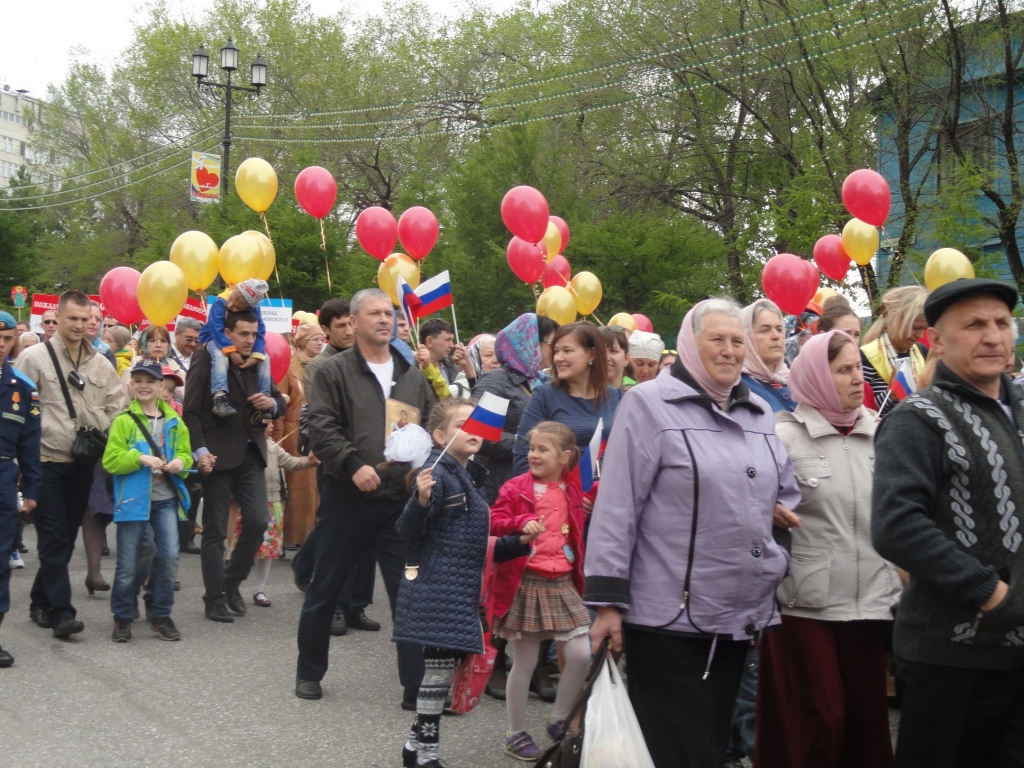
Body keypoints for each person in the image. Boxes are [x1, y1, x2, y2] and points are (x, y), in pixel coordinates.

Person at [585, 298, 800, 768]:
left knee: (711, 746)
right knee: (674, 751)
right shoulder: (647, 405)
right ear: (687, 345)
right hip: (666, 621)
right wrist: (606, 604)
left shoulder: (760, 413)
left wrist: (775, 554)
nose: (729, 351)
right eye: (716, 340)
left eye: (737, 341)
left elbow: (785, 493)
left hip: (738, 614)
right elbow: (617, 508)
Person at [872, 278, 1024, 767]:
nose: (993, 336)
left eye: (1002, 323)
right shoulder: (919, 418)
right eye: (974, 325)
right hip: (951, 656)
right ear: (936, 340)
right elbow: (896, 525)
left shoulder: (1021, 409)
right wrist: (991, 593)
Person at [755, 331, 902, 768]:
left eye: (858, 367)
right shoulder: (781, 435)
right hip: (805, 603)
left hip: (872, 601)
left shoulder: (882, 432)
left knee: (866, 722)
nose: (857, 378)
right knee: (822, 719)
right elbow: (739, 499)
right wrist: (766, 506)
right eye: (843, 370)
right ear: (818, 376)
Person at [295, 288, 435, 705]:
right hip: (347, 499)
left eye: (388, 313)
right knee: (325, 590)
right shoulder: (333, 372)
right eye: (374, 313)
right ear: (353, 322)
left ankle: (414, 686)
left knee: (406, 594)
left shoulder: (410, 371)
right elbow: (321, 426)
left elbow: (426, 421)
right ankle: (309, 673)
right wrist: (353, 465)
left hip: (397, 503)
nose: (384, 319)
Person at [392, 399, 537, 768]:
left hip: (458, 589)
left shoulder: (469, 476)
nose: (473, 430)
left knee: (441, 672)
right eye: (462, 424)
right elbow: (407, 532)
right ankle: (426, 755)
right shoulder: (437, 474)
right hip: (438, 588)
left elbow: (477, 547)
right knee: (438, 673)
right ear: (440, 436)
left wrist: (517, 543)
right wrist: (420, 500)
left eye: (476, 423)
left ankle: (414, 747)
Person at [15, 290, 123, 638]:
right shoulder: (33, 358)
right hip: (44, 460)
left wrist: (98, 427)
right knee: (52, 537)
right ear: (57, 318)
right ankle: (63, 612)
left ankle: (38, 600)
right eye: (72, 318)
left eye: (85, 319)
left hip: (82, 462)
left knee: (63, 538)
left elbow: (116, 407)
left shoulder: (101, 364)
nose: (79, 325)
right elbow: (16, 411)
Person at [491, 421, 592, 761]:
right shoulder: (516, 486)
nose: (533, 454)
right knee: (526, 661)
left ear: (565, 457)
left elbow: (581, 521)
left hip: (563, 580)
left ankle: (560, 718)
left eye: (542, 449)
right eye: (532, 448)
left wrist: (590, 504)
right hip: (526, 580)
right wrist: (520, 523)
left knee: (580, 654)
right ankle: (516, 733)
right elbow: (494, 519)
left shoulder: (574, 488)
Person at [183, 308, 287, 623]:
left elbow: (279, 401)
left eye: (254, 334)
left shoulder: (259, 362)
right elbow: (190, 411)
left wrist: (272, 404)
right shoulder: (207, 357)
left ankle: (231, 583)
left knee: (257, 522)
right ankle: (213, 598)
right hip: (216, 456)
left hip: (251, 454)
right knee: (215, 532)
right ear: (227, 333)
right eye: (243, 333)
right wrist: (200, 451)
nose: (249, 340)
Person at [295, 297, 380, 636]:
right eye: (340, 326)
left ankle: (357, 604)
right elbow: (324, 417)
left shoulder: (368, 359)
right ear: (326, 332)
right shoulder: (322, 366)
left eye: (350, 323)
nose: (348, 330)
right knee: (339, 538)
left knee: (368, 538)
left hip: (371, 460)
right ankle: (335, 606)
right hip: (339, 459)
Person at [103, 359, 193, 643]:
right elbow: (111, 460)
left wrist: (180, 460)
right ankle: (122, 615)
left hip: (165, 499)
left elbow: (186, 455)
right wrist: (139, 458)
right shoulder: (124, 421)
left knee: (168, 557)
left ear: (160, 385)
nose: (144, 385)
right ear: (131, 384)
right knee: (129, 562)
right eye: (138, 380)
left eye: (150, 381)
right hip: (133, 501)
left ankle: (160, 612)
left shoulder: (175, 421)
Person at [513, 322, 621, 476]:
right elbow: (522, 458)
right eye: (556, 351)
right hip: (561, 495)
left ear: (592, 354)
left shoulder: (616, 397)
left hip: (608, 493)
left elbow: (629, 453)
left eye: (567, 351)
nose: (558, 358)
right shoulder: (545, 396)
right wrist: (565, 490)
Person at [473, 314, 559, 504]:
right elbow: (478, 433)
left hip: (535, 484)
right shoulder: (498, 381)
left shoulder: (542, 382)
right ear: (531, 343)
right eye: (551, 343)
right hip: (502, 487)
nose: (556, 351)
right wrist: (529, 445)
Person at [0, 311, 41, 667]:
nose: (0, 344)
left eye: (6, 338)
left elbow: (30, 443)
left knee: (0, 561)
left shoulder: (23, 390)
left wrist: (31, 487)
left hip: (3, 475)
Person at [243, 441, 318, 608]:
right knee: (245, 548)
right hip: (249, 501)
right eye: (267, 422)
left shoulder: (273, 447)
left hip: (272, 501)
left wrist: (308, 461)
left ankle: (259, 589)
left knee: (267, 550)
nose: (270, 425)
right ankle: (231, 585)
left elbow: (291, 462)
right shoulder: (244, 443)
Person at [199, 278, 272, 419]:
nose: (230, 305)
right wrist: (231, 351)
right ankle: (219, 396)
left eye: (237, 307)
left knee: (265, 358)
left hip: (232, 340)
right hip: (212, 337)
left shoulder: (255, 309)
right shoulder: (221, 301)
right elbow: (216, 327)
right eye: (232, 299)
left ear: (248, 308)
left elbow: (260, 330)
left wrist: (257, 354)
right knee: (219, 355)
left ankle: (264, 398)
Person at [278, 323, 323, 548]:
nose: (319, 342)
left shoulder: (326, 367)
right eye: (314, 338)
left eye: (321, 338)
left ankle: (313, 536)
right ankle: (292, 536)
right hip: (292, 432)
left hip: (317, 430)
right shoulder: (289, 367)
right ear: (302, 342)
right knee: (296, 485)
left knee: (316, 485)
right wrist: (274, 438)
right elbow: (279, 403)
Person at [860, 285, 928, 417]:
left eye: (924, 329)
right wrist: (890, 395)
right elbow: (861, 415)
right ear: (896, 318)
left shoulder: (922, 352)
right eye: (916, 327)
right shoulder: (865, 357)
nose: (920, 335)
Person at [740, 298, 795, 413]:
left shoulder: (793, 379)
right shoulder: (739, 387)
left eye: (779, 329)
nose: (776, 336)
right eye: (765, 330)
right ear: (747, 337)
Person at [416, 318, 473, 398]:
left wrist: (466, 367)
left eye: (452, 340)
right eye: (447, 340)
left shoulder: (453, 367)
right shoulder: (412, 369)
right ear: (430, 341)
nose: (452, 345)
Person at [599, 325, 633, 390]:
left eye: (613, 351)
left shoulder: (635, 396)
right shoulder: (578, 396)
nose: (606, 357)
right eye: (601, 351)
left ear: (626, 359)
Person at [87, 301, 117, 369]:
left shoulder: (107, 353)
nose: (94, 322)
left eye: (97, 319)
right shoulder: (68, 348)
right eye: (89, 317)